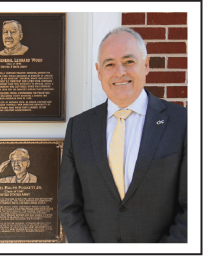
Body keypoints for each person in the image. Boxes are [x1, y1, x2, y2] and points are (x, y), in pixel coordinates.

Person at [58, 27, 187, 243]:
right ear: (99, 72)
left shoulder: (183, 122)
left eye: (129, 61)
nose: (120, 72)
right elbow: (69, 206)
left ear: (146, 65)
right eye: (110, 64)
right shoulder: (78, 127)